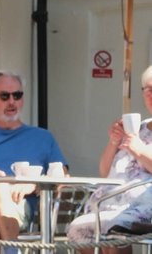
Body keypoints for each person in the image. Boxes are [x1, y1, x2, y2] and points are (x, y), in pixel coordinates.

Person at [0, 70, 68, 253]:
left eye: (17, 95)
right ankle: (12, 250)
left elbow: (61, 176)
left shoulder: (43, 137)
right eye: (4, 96)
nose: (11, 101)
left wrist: (34, 184)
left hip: (20, 205)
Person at [65, 65, 152, 250]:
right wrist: (113, 142)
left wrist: (138, 149)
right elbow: (105, 172)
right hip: (110, 201)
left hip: (143, 206)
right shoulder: (138, 128)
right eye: (148, 90)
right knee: (78, 229)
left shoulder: (136, 138)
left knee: (111, 227)